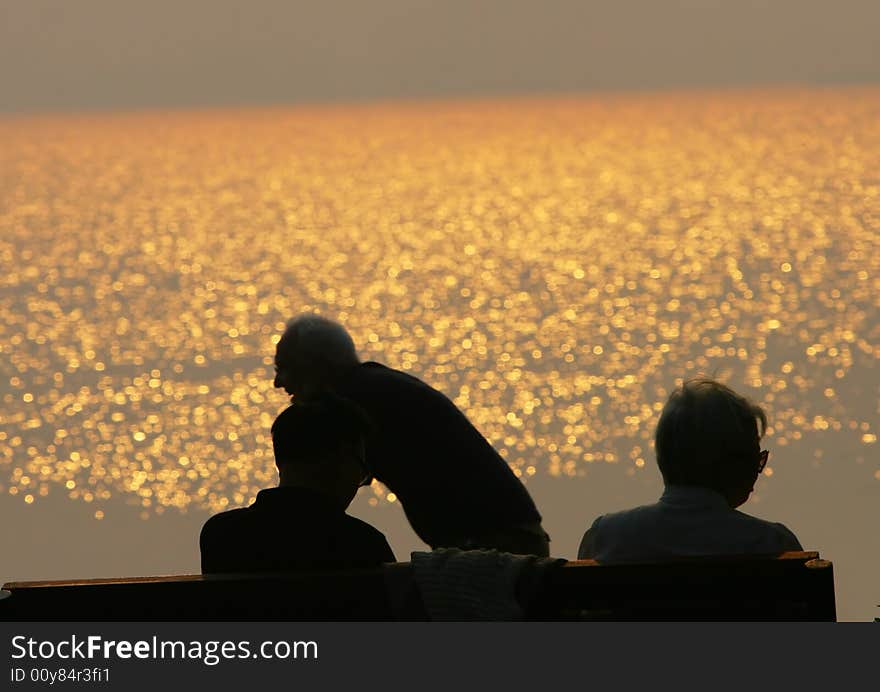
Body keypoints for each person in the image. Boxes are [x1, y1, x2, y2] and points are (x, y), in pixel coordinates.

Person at [272, 314, 550, 556]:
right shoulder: (376, 387)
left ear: (318, 364)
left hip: (495, 543)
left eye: (284, 367)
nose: (278, 382)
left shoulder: (353, 402)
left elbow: (320, 488)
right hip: (506, 536)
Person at [577, 378, 803, 563]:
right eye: (756, 459)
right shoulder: (774, 547)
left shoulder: (605, 539)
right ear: (733, 463)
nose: (757, 471)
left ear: (664, 458)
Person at [200, 394, 395, 573]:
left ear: (279, 462)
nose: (360, 482)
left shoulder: (220, 535)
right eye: (362, 471)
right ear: (341, 461)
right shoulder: (363, 544)